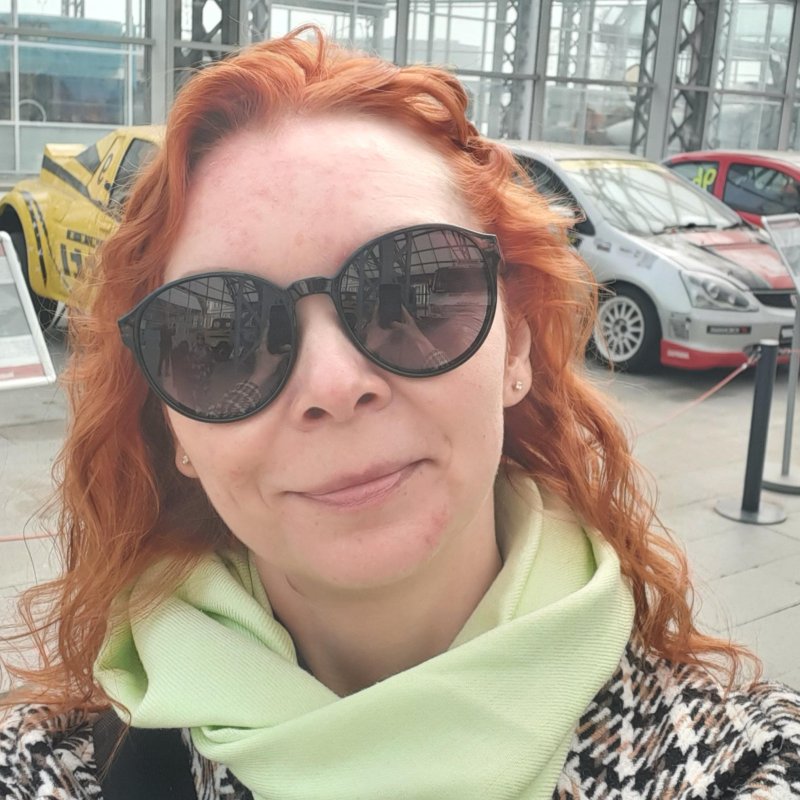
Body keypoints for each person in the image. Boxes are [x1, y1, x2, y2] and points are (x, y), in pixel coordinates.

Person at [1, 27, 799, 800]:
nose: (333, 384)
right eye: (222, 336)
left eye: (415, 292)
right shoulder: (55, 769)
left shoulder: (749, 766)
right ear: (173, 425)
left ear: (516, 344)